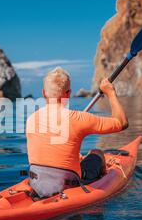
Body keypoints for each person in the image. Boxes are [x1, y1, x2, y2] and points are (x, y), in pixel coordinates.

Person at [25, 67, 128, 198]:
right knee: (96, 153)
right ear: (68, 94)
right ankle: (101, 182)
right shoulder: (78, 118)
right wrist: (110, 92)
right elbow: (122, 122)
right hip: (69, 185)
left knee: (78, 158)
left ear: (44, 93)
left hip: (37, 183)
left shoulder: (31, 119)